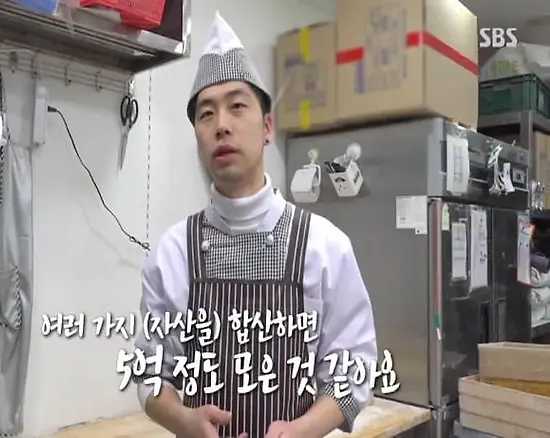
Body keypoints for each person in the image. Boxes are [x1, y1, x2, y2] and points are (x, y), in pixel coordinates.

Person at [134, 12, 377, 438]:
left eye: (237, 106)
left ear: (267, 127)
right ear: (197, 136)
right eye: (206, 114)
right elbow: (150, 373)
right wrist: (184, 420)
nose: (221, 125)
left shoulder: (324, 246)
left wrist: (304, 429)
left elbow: (354, 369)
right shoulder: (173, 252)